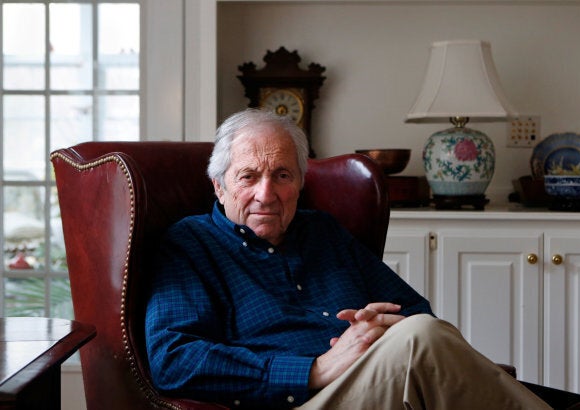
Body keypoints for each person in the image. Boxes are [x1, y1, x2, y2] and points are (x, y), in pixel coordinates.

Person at [145, 108, 551, 410]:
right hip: (295, 402)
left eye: (282, 176)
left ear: (301, 183)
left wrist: (380, 328)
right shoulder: (190, 244)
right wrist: (314, 369)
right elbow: (174, 359)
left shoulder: (323, 232)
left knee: (420, 332)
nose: (266, 194)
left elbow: (414, 312)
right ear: (219, 186)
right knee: (420, 339)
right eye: (248, 176)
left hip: (375, 385)